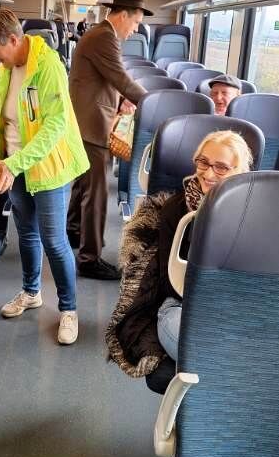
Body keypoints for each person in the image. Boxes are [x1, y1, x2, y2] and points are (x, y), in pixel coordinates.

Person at [0, 9, 89, 346]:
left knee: (54, 240)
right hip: (15, 164)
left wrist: (15, 164)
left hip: (48, 166)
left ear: (14, 40)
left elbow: (55, 125)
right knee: (27, 233)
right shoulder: (5, 68)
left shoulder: (48, 66)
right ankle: (31, 292)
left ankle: (69, 309)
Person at [106, 130, 252, 376]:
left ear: (239, 171)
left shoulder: (253, 213)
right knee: (201, 352)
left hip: (233, 308)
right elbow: (169, 281)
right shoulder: (176, 210)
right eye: (203, 162)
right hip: (181, 305)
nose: (208, 174)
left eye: (221, 167)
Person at [67, 0, 152, 281]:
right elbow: (121, 78)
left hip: (85, 120)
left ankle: (73, 231)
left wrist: (120, 100)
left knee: (83, 184)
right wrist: (155, 105)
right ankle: (89, 259)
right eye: (136, 22)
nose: (136, 29)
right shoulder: (104, 37)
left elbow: (104, 80)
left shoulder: (100, 35)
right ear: (123, 15)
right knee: (97, 194)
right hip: (91, 124)